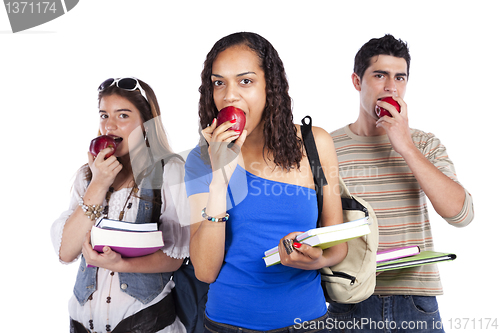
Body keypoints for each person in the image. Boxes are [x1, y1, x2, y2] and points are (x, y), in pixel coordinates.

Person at [184, 31, 347, 333]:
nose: (229, 95)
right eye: (219, 82)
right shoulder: (200, 160)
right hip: (226, 325)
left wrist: (310, 260)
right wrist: (219, 178)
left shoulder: (315, 144)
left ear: (270, 87)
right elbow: (205, 271)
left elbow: (338, 247)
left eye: (245, 81)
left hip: (308, 323)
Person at [328, 35, 474, 332]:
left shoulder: (424, 143)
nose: (391, 87)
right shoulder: (327, 146)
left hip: (415, 300)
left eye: (400, 77)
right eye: (380, 75)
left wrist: (405, 146)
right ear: (357, 81)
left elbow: (461, 215)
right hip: (350, 298)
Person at [50, 77, 190, 333]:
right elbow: (66, 252)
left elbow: (175, 257)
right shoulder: (88, 176)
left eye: (122, 115)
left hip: (147, 323)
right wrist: (99, 184)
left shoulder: (169, 171)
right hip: (81, 324)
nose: (109, 126)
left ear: (146, 124)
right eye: (104, 115)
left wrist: (121, 265)